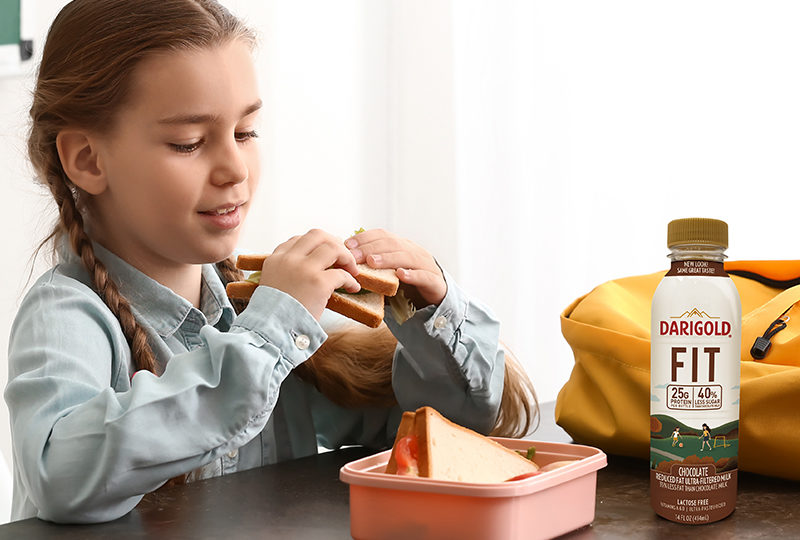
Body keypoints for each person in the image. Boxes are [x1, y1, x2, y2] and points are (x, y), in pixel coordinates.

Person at [4, 0, 536, 524]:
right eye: (188, 143)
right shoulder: (67, 313)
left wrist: (433, 315)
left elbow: (447, 434)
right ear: (87, 159)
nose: (235, 168)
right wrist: (270, 336)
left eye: (245, 132)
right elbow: (60, 475)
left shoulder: (263, 311)